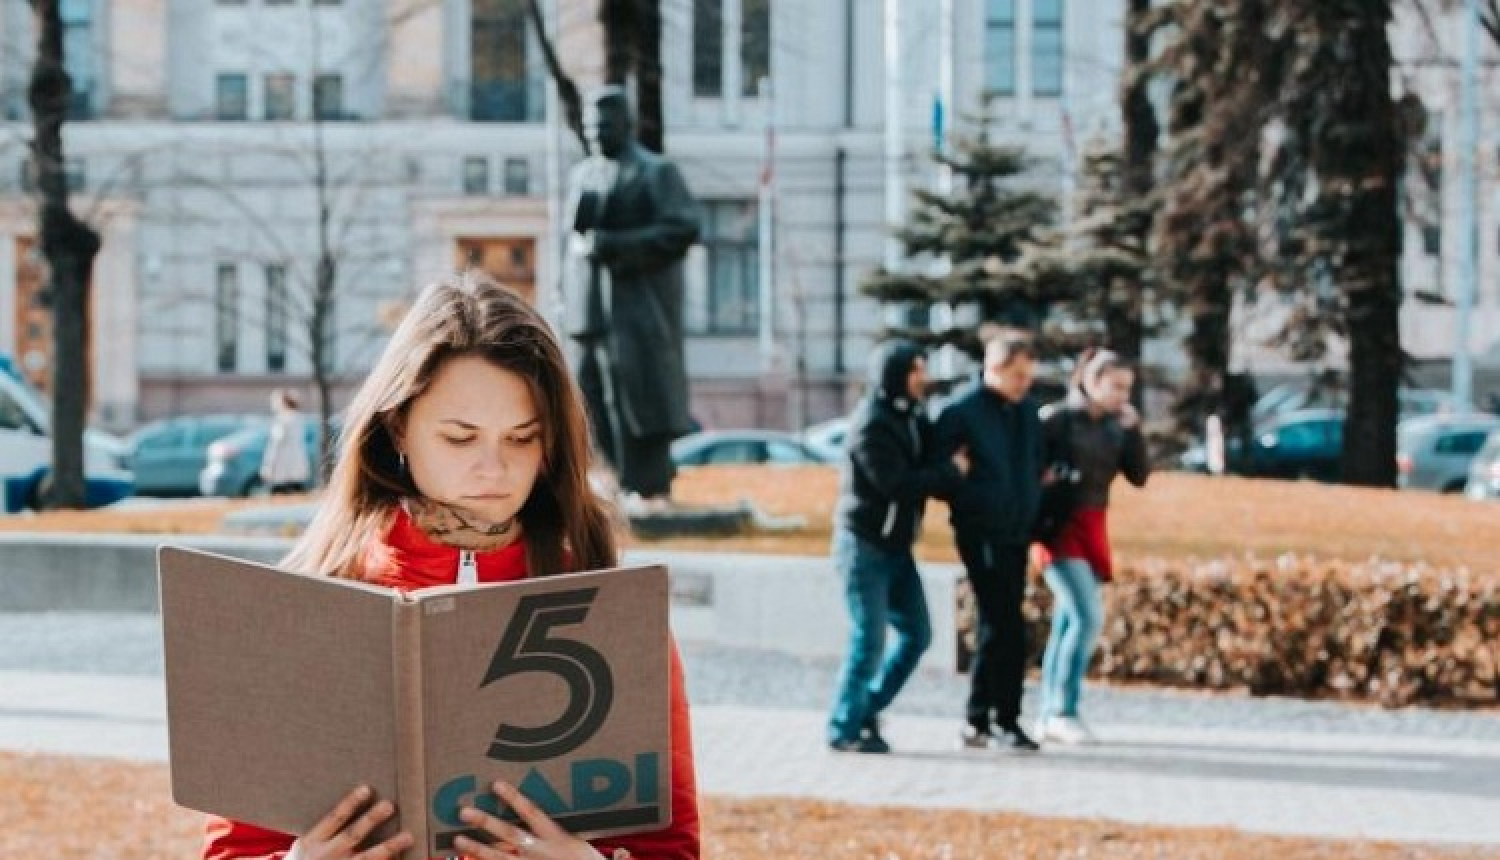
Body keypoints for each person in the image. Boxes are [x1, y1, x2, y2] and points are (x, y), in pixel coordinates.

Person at [203, 273, 700, 860]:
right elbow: (232, 850)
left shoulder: (612, 613)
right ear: (398, 429)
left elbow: (671, 848)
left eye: (521, 439)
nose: (493, 469)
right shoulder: (304, 604)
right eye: (461, 438)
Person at [827, 340, 970, 754]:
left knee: (917, 635)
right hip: (864, 545)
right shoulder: (872, 423)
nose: (922, 378)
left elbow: (926, 464)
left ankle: (866, 709)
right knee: (868, 639)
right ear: (895, 375)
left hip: (897, 547)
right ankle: (843, 728)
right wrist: (950, 472)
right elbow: (898, 485)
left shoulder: (910, 416)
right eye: (915, 371)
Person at [562, 87, 700, 509]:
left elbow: (682, 229)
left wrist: (616, 245)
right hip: (588, 316)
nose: (595, 133)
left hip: (635, 314)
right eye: (589, 126)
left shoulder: (656, 173)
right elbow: (569, 242)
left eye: (603, 125)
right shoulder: (582, 174)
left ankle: (648, 486)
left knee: (639, 402)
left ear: (626, 124)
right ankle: (609, 482)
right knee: (588, 401)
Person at [933, 329, 1043, 753]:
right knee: (1002, 623)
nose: (1024, 384)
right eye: (1017, 376)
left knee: (1002, 623)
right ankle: (997, 717)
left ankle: (985, 717)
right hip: (980, 530)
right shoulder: (961, 412)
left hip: (1016, 530)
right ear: (993, 369)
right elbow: (943, 473)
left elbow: (1032, 463)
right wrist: (967, 492)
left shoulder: (1026, 413)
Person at [1034, 348, 1150, 746]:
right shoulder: (1058, 421)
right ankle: (1062, 711)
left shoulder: (1116, 427)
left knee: (1067, 622)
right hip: (1060, 527)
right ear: (1090, 381)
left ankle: (1049, 711)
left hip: (1093, 523)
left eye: (1127, 388)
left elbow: (1139, 477)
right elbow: (1033, 468)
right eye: (1114, 386)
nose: (1121, 395)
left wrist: (1134, 432)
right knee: (1087, 617)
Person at [259, 389, 311, 495]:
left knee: (279, 490)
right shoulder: (299, 418)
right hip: (296, 459)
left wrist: (269, 465)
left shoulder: (282, 420)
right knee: (296, 489)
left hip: (282, 462)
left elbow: (277, 442)